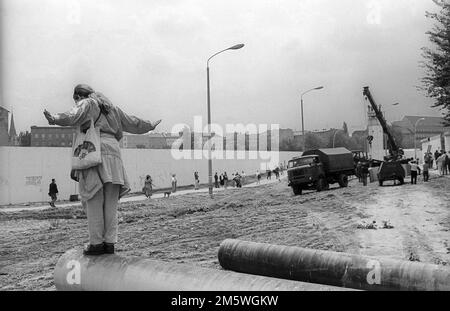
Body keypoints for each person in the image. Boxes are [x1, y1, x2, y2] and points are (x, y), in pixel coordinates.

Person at [43, 84, 161, 255]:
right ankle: (109, 243)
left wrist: (55, 119)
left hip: (94, 151)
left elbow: (73, 115)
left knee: (93, 199)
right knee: (111, 204)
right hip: (114, 154)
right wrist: (149, 125)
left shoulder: (88, 103)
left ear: (78, 97)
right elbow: (133, 122)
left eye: (75, 100)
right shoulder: (111, 108)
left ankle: (96, 243)